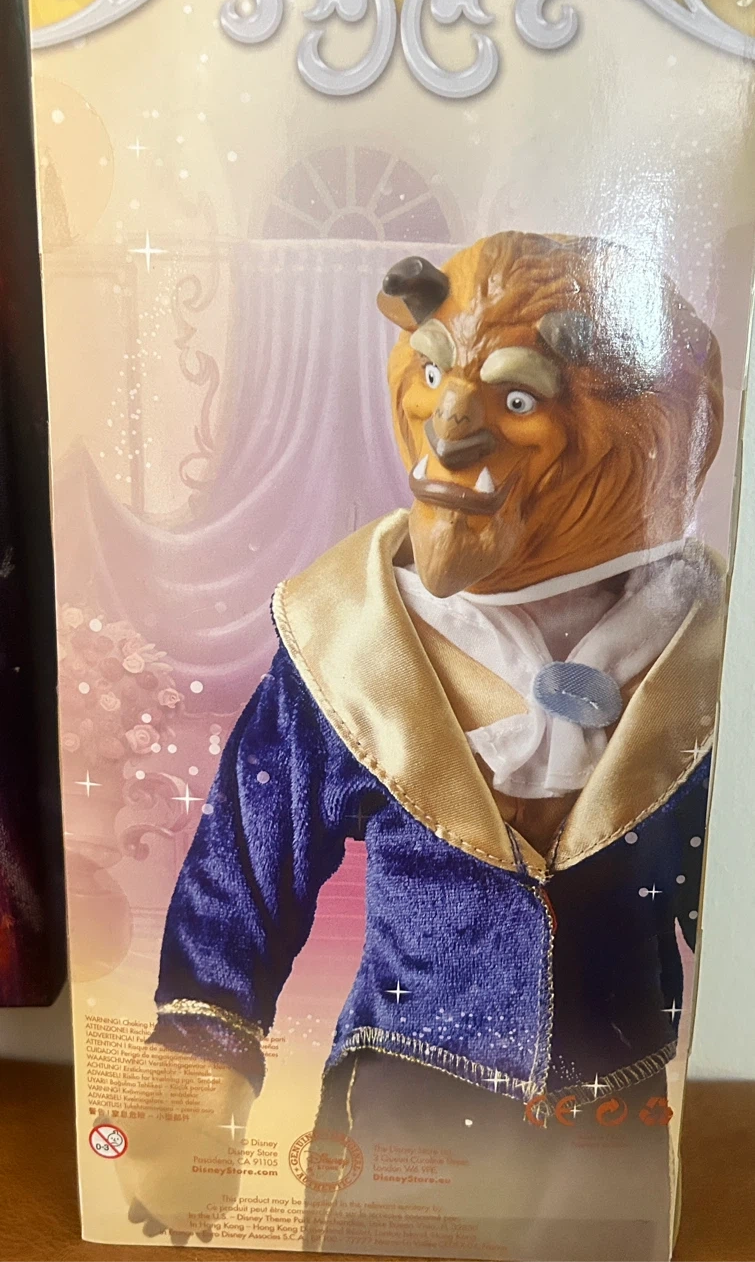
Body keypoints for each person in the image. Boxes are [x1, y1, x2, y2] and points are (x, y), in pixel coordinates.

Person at [119, 232, 724, 1259]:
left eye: (515, 399)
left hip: (611, 1100)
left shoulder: (697, 643)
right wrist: (199, 1042)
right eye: (436, 375)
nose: (449, 427)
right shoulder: (352, 638)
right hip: (406, 1091)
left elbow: (719, 878)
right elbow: (252, 857)